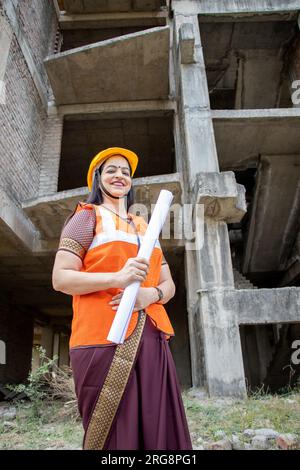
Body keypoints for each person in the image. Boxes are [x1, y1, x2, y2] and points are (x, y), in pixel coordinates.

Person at [52, 147, 192, 450]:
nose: (120, 176)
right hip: (102, 340)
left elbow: (168, 284)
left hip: (152, 339)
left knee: (158, 431)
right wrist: (118, 279)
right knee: (115, 436)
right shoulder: (85, 218)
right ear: (97, 178)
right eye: (112, 170)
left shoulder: (144, 226)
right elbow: (61, 279)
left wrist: (149, 294)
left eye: (126, 172)